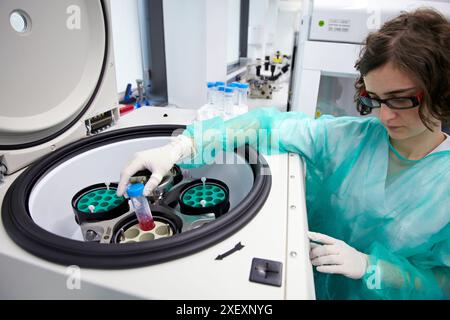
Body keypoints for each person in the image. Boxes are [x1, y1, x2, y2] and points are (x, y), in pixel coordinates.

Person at [117, 9, 450, 299]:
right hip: (306, 283)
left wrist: (372, 268)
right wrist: (180, 147)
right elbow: (266, 125)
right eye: (375, 99)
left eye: (401, 99)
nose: (384, 116)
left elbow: (443, 283)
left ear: (441, 90)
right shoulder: (352, 138)